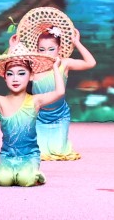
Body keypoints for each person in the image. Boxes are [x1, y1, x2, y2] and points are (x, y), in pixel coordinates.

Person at [0, 43, 68, 186]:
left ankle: (35, 173)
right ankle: (11, 171)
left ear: (31, 76)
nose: (15, 78)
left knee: (25, 180)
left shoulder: (35, 101)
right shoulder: (0, 101)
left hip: (29, 155)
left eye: (21, 73)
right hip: (7, 155)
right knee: (3, 181)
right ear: (4, 77)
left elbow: (59, 92)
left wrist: (56, 68)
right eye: (10, 74)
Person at [32, 24, 97, 160]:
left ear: (59, 49)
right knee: (39, 152)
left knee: (59, 152)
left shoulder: (65, 63)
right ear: (37, 50)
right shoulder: (33, 66)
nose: (46, 53)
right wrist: (14, 48)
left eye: (51, 49)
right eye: (42, 49)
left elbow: (91, 63)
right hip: (39, 115)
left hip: (60, 115)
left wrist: (76, 42)